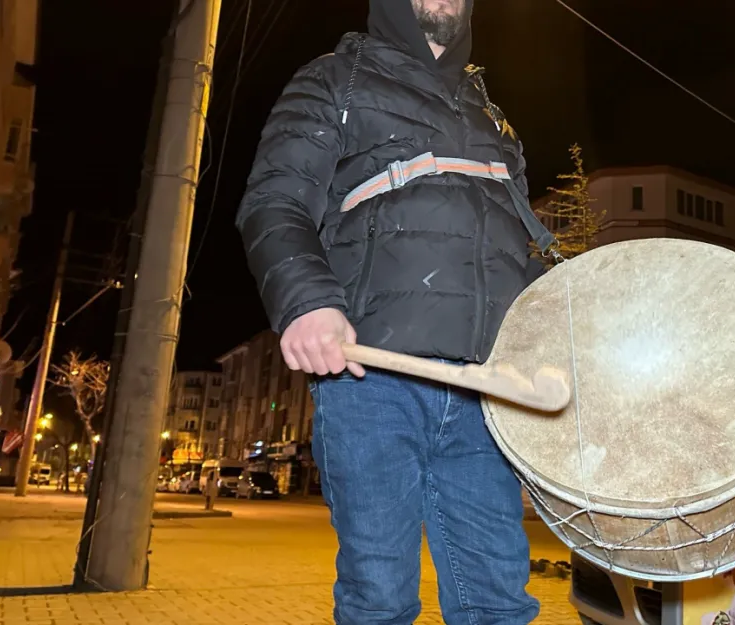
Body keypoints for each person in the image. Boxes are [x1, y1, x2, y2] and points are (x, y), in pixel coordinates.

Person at [235, 1, 548, 623]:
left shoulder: (493, 119)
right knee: (378, 593)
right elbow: (274, 202)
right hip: (371, 378)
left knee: (499, 599)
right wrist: (307, 303)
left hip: (487, 394)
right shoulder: (334, 79)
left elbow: (518, 247)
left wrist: (548, 341)